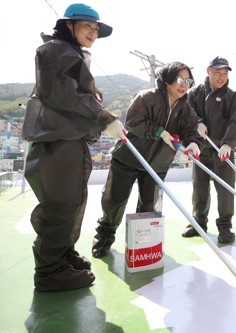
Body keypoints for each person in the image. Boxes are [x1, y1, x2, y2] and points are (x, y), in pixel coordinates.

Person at [21, 3, 125, 292]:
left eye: (96, 29)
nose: (93, 32)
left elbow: (79, 94)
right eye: (87, 26)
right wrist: (105, 118)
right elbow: (64, 94)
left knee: (74, 200)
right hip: (55, 140)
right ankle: (49, 271)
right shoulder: (55, 49)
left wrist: (97, 102)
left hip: (71, 139)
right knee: (59, 204)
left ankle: (62, 255)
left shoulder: (72, 53)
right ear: (69, 26)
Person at [92, 62, 203, 258]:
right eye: (180, 79)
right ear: (168, 79)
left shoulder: (186, 110)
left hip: (158, 164)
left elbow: (191, 132)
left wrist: (193, 144)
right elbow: (134, 123)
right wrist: (160, 132)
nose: (184, 85)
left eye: (188, 81)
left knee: (149, 206)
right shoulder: (147, 97)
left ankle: (142, 244)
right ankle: (104, 238)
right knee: (114, 201)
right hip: (129, 158)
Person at [181, 56, 236, 243]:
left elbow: (235, 121)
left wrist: (228, 143)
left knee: (225, 191)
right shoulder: (196, 92)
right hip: (200, 148)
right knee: (199, 188)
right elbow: (187, 111)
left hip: (222, 150)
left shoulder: (230, 95)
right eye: (217, 73)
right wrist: (197, 123)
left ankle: (225, 226)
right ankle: (198, 223)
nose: (221, 77)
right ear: (208, 71)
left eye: (224, 73)